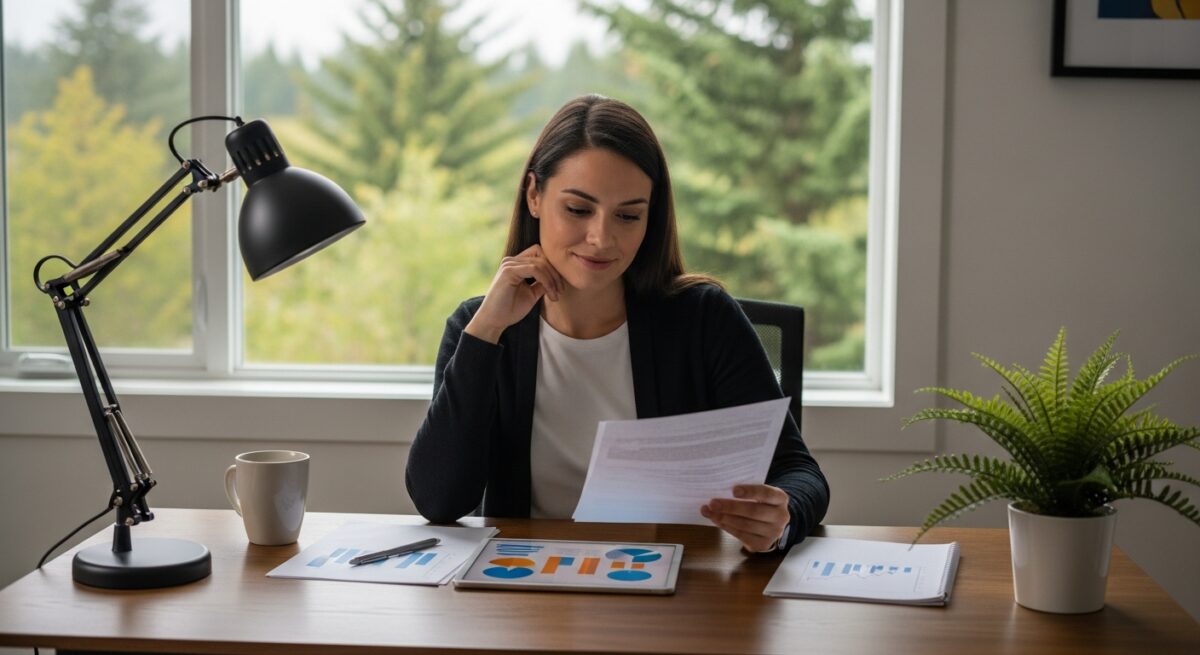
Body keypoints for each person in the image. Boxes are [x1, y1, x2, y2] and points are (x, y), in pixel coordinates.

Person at [406, 95, 829, 553]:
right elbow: (439, 500)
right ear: (534, 195)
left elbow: (800, 473)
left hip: (669, 588)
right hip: (526, 592)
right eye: (578, 209)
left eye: (628, 215)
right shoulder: (479, 327)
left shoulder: (704, 319)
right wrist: (486, 331)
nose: (602, 238)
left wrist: (780, 517)